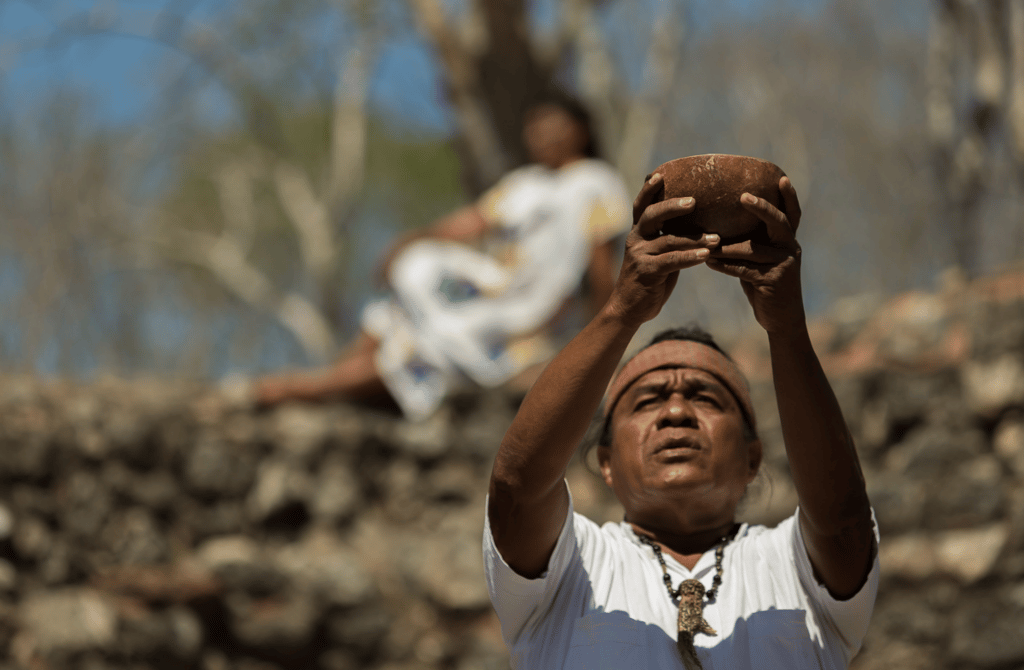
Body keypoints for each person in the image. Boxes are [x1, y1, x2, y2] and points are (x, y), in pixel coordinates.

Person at [484, 173, 879, 669]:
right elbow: (516, 489)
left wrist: (786, 327)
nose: (675, 412)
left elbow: (843, 518)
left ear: (753, 456)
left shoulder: (793, 566)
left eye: (704, 397)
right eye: (647, 400)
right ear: (605, 461)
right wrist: (622, 310)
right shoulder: (569, 567)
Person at [254, 95, 632, 420]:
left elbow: (600, 262)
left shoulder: (596, 182)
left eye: (553, 124)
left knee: (435, 338)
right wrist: (411, 239)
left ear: (580, 130)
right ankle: (329, 380)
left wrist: (600, 336)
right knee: (413, 275)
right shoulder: (524, 183)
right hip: (492, 284)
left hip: (532, 308)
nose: (542, 134)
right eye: (535, 126)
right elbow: (471, 223)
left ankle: (304, 389)